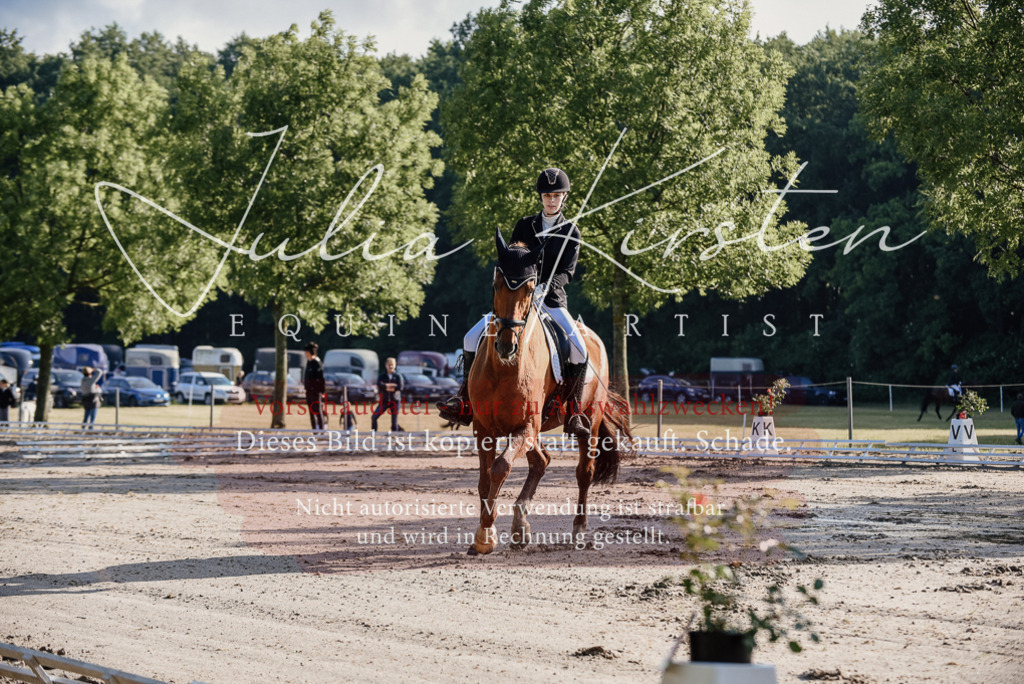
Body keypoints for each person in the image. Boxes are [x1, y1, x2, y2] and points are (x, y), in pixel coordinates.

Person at [438, 167, 591, 439]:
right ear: (541, 197)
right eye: (547, 195)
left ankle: (575, 412)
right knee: (471, 337)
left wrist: (547, 286)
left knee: (579, 348)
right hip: (517, 301)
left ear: (564, 197)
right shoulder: (524, 225)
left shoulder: (571, 231)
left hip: (551, 301)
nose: (551, 200)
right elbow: (510, 260)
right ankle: (464, 400)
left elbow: (567, 271)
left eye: (556, 195)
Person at [372, 357, 404, 432]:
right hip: (384, 400)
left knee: (394, 422)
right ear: (386, 365)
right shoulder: (382, 376)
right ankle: (373, 434)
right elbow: (380, 385)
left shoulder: (398, 376)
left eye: (392, 365)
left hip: (395, 401)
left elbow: (401, 387)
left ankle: (394, 437)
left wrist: (387, 386)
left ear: (395, 365)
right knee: (374, 417)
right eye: (389, 365)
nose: (391, 367)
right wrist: (390, 386)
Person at [303, 342, 327, 431]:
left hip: (316, 392)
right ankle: (314, 431)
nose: (305, 353)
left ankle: (321, 430)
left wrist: (322, 391)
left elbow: (321, 379)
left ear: (310, 352)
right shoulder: (308, 362)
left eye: (306, 351)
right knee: (311, 412)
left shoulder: (317, 363)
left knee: (317, 410)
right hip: (309, 391)